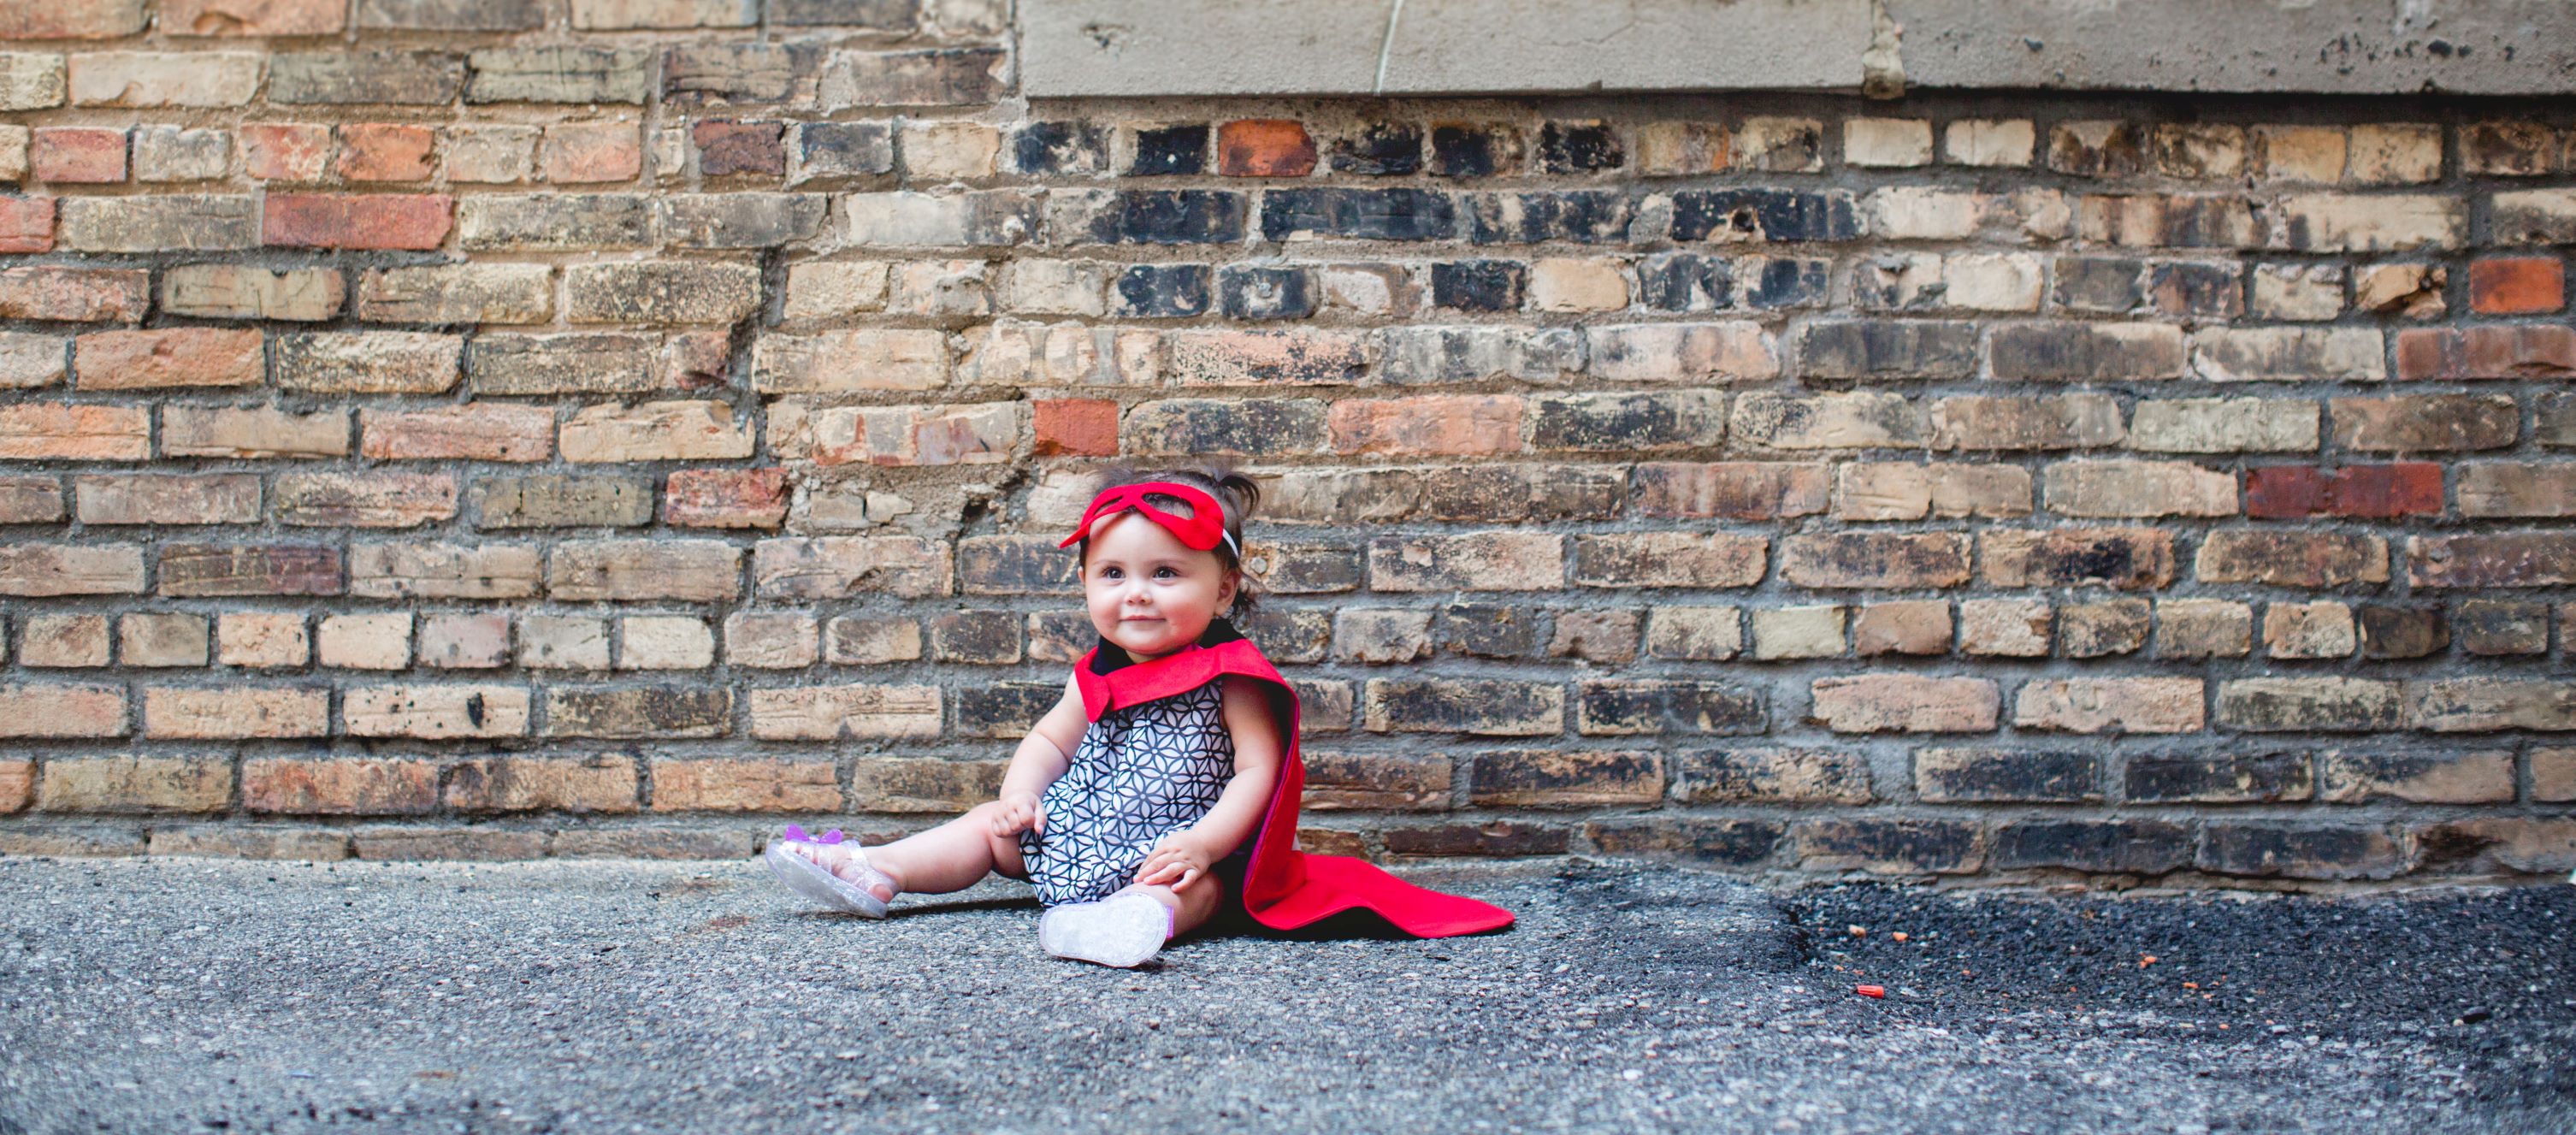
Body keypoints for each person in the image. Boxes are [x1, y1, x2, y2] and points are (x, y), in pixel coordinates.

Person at [763, 465, 1514, 967]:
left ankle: (1126, 920)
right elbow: (1052, 738)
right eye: (1113, 574)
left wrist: (1201, 843)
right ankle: (878, 868)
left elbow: (1259, 771)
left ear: (1223, 591)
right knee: (986, 830)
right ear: (1087, 582)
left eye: (1166, 574)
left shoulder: (1232, 677)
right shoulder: (1098, 670)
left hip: (1175, 849)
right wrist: (1021, 792)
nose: (1137, 594)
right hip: (1078, 833)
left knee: (1200, 894)